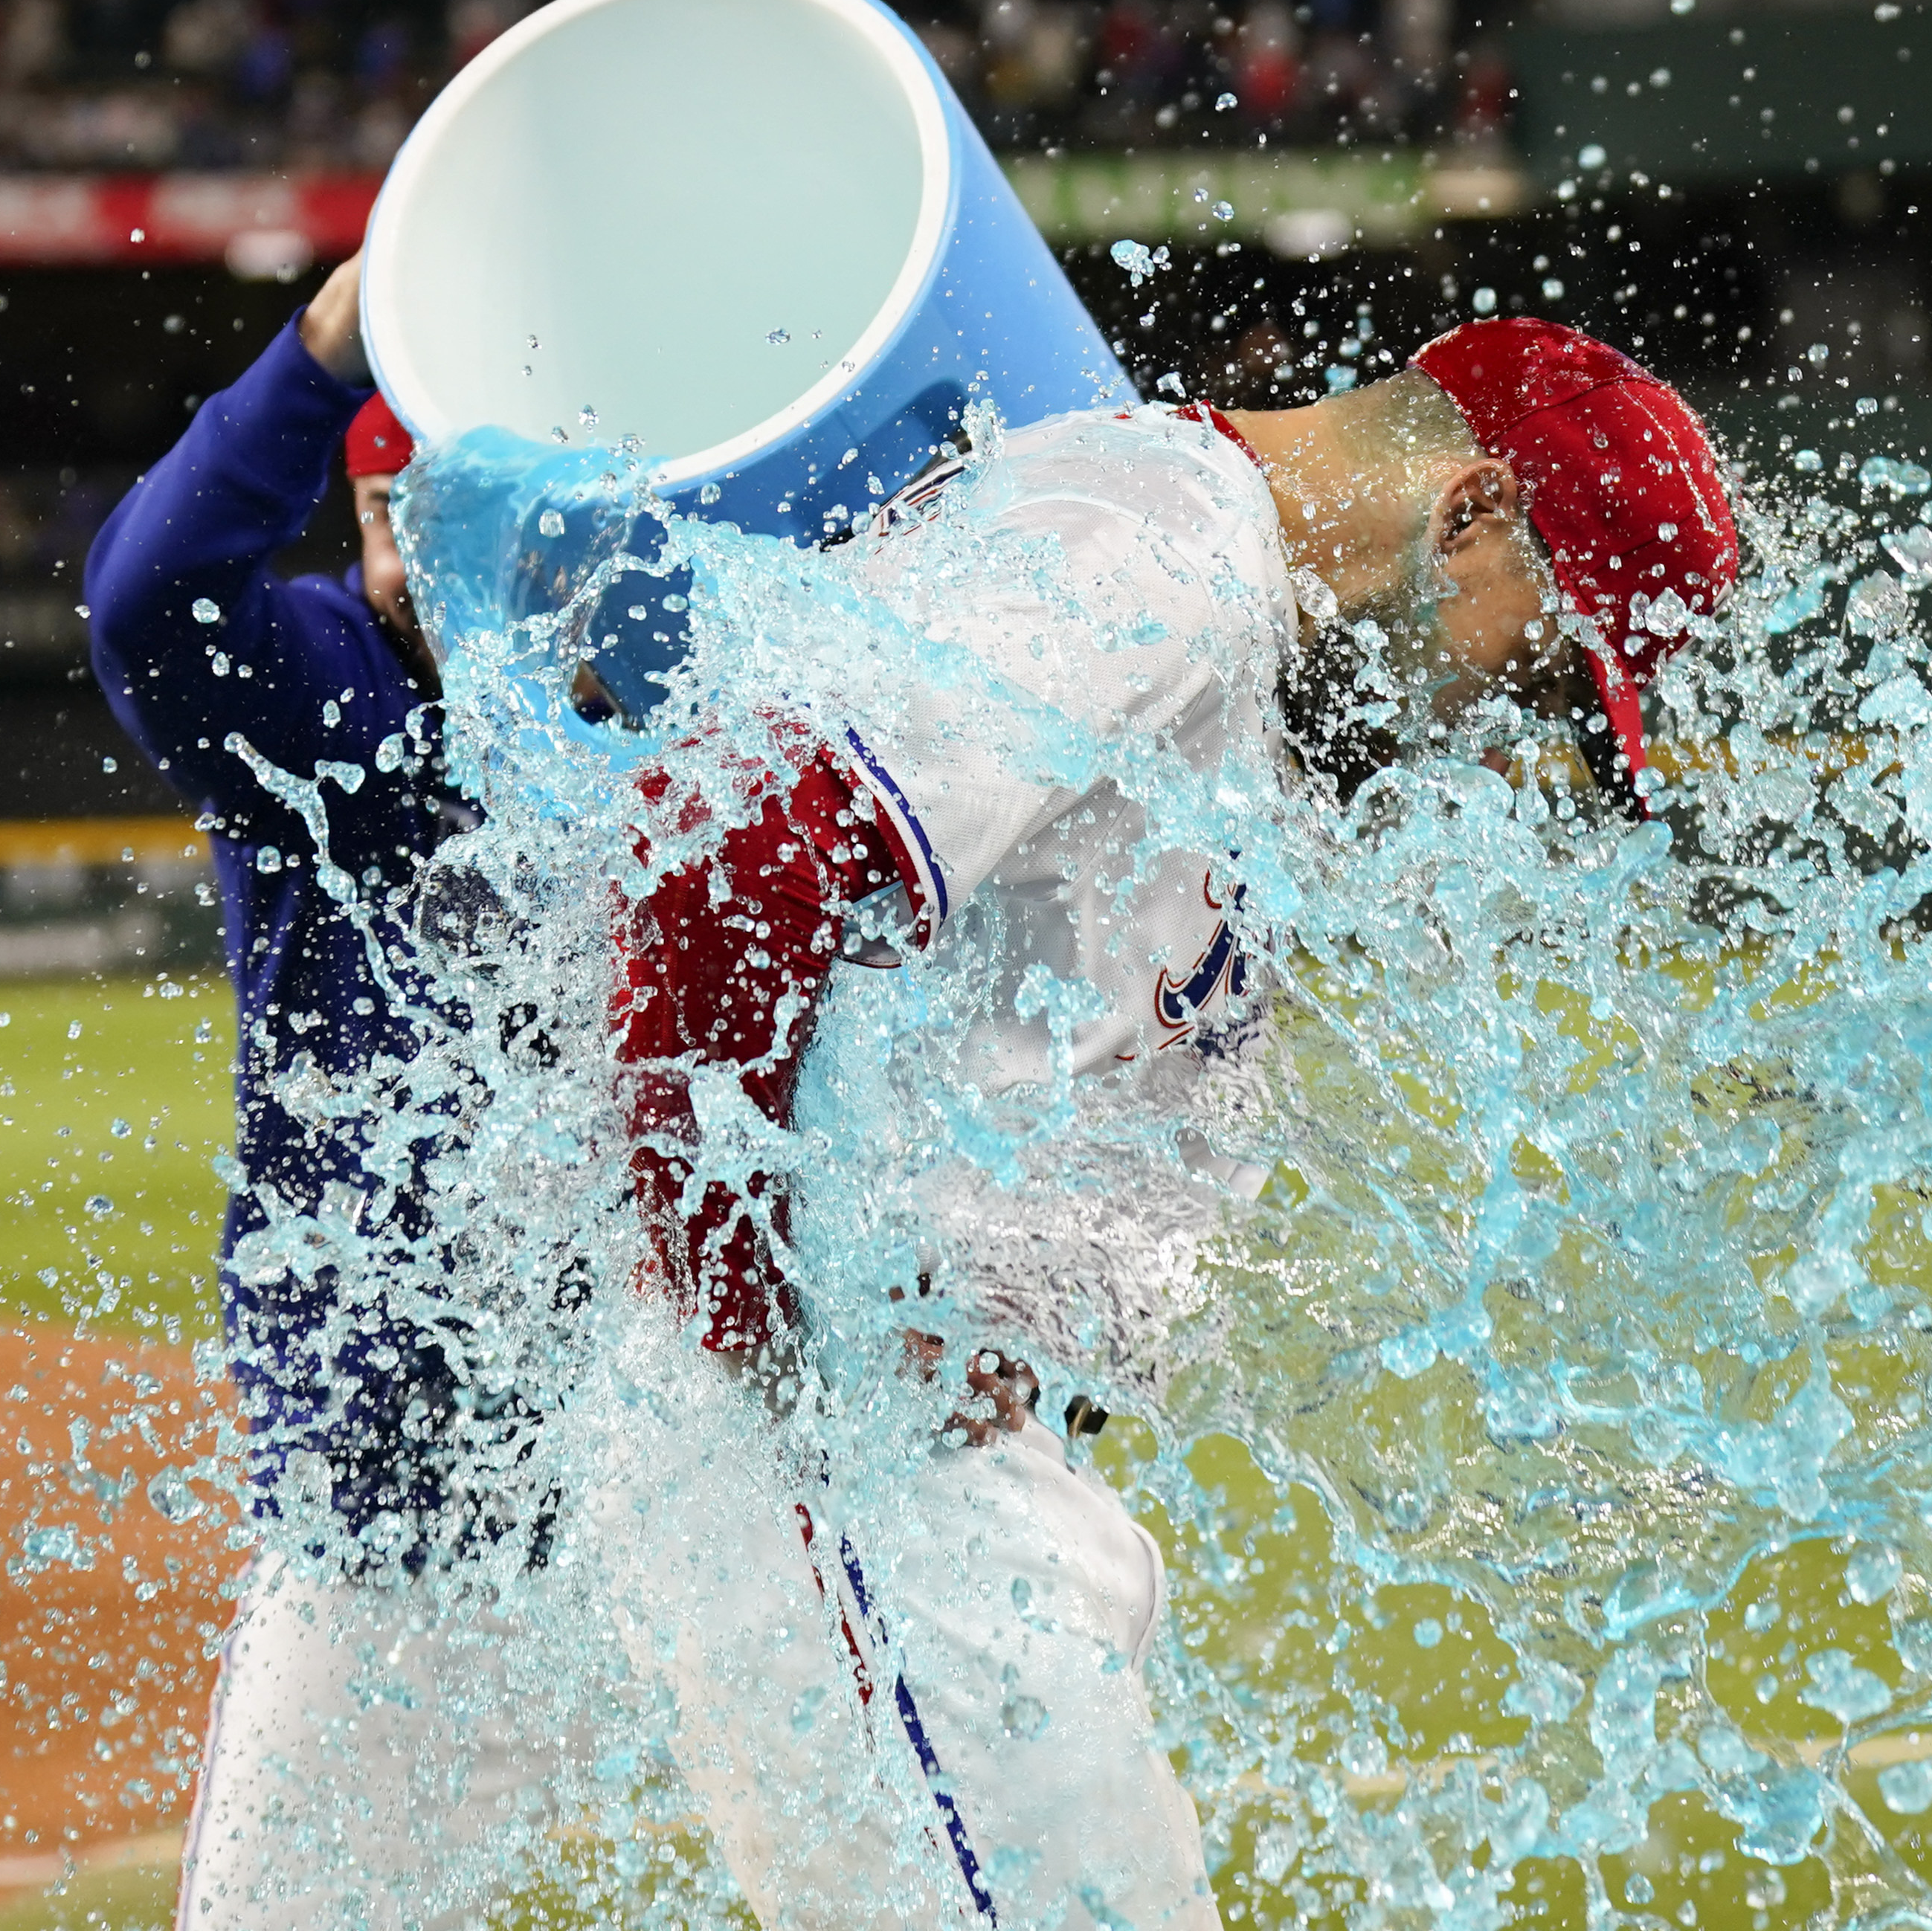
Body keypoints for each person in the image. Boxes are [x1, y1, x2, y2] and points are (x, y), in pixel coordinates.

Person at [581, 315, 1736, 1931]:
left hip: (951, 1470)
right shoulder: (1155, 556)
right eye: (1538, 657)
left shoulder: (1191, 556)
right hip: (882, 1465)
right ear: (1474, 510)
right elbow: (729, 852)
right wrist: (767, 1339)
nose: (1507, 717)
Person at [85, 257, 590, 1931]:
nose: (408, 555)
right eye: (382, 511)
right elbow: (150, 596)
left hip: (669, 1469)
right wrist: (318, 351)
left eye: (436, 507)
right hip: (410, 1504)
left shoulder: (659, 684)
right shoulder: (329, 688)